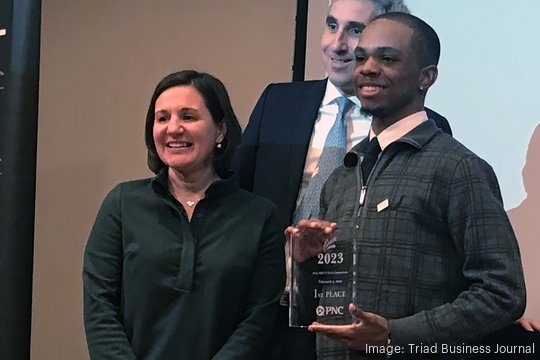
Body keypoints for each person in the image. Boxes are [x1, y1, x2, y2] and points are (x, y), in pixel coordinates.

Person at [288, 13, 526, 359]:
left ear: (426, 77)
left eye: (387, 58)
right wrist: (305, 263)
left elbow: (502, 293)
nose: (367, 68)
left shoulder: (459, 168)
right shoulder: (341, 175)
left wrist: (395, 335)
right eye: (361, 58)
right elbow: (316, 309)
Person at [236, 1, 451, 359]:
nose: (337, 45)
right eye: (331, 25)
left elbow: (437, 238)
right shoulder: (279, 102)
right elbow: (236, 199)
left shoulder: (424, 126)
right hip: (269, 315)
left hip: (357, 327)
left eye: (355, 31)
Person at [83, 70, 285, 359]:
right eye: (162, 118)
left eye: (188, 116)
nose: (173, 128)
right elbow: (99, 306)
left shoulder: (260, 216)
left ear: (220, 130)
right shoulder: (122, 204)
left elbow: (257, 321)